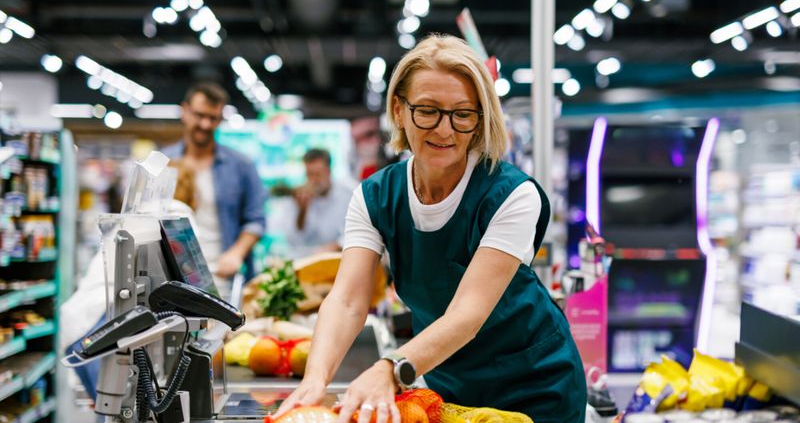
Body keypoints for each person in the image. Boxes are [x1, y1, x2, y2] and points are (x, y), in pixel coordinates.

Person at [275, 35, 586, 423]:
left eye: (462, 113)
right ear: (399, 110)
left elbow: (467, 315)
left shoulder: (512, 196)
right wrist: (315, 379)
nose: (444, 130)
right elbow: (347, 301)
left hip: (536, 389)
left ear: (480, 118)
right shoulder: (376, 196)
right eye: (428, 111)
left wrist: (390, 368)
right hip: (448, 389)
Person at [162, 82, 267, 300]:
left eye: (213, 118)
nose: (205, 124)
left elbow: (256, 220)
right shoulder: (164, 163)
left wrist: (237, 253)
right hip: (173, 278)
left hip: (223, 278)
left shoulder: (241, 166)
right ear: (185, 111)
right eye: (199, 115)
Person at [284, 148, 352, 257]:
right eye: (309, 174)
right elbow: (293, 242)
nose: (314, 180)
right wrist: (302, 211)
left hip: (338, 260)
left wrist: (337, 245)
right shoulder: (299, 197)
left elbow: (356, 233)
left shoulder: (347, 195)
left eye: (318, 174)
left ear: (329, 171)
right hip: (306, 261)